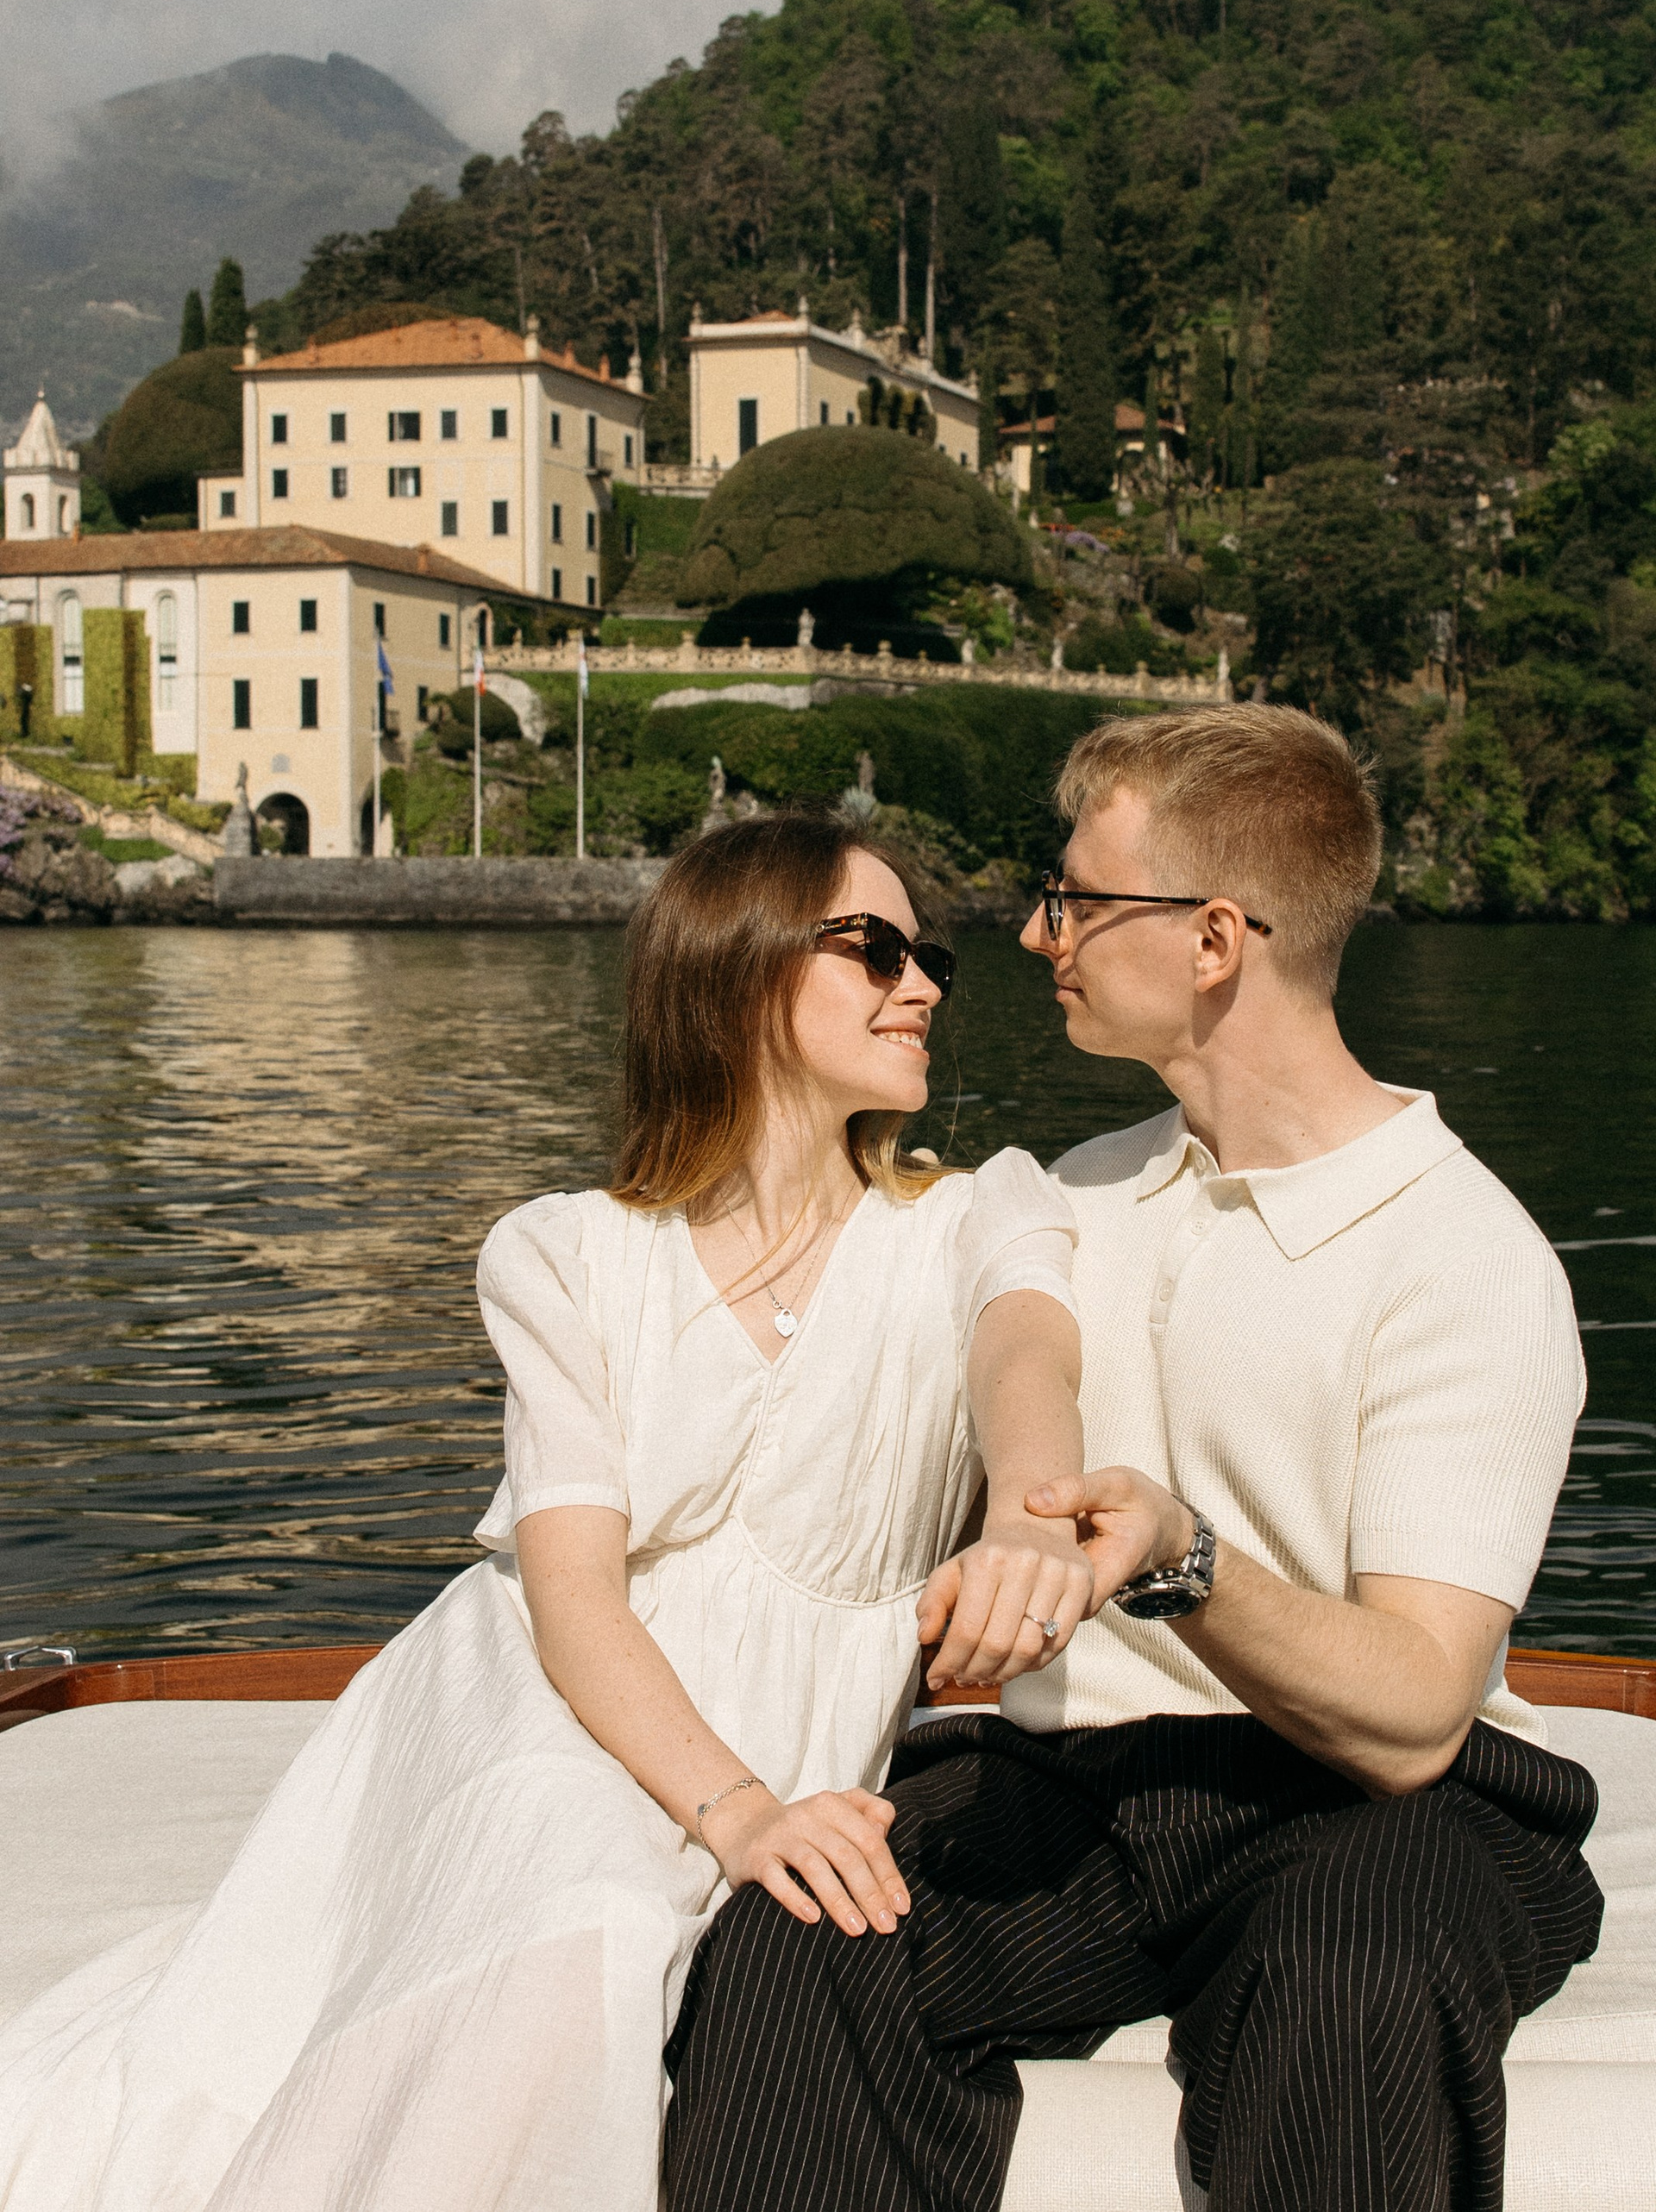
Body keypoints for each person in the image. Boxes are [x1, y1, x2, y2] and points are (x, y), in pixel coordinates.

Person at [0, 814, 1095, 2212]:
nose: (924, 984)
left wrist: (1030, 1516)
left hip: (799, 1726)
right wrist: (740, 1814)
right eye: (875, 950)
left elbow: (1027, 1358)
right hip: (545, 1697)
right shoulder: (568, 1254)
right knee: (589, 1923)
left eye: (929, 955)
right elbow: (572, 1598)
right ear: (739, 967)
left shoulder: (976, 1214)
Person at [663, 707, 1605, 2212]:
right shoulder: (1063, 1201)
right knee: (801, 1938)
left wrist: (1181, 1560)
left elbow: (1420, 1712)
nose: (1038, 933)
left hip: (1381, 1808)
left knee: (1352, 1964)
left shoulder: (1464, 1255)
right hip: (1075, 1780)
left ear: (1215, 939)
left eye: (1078, 900)